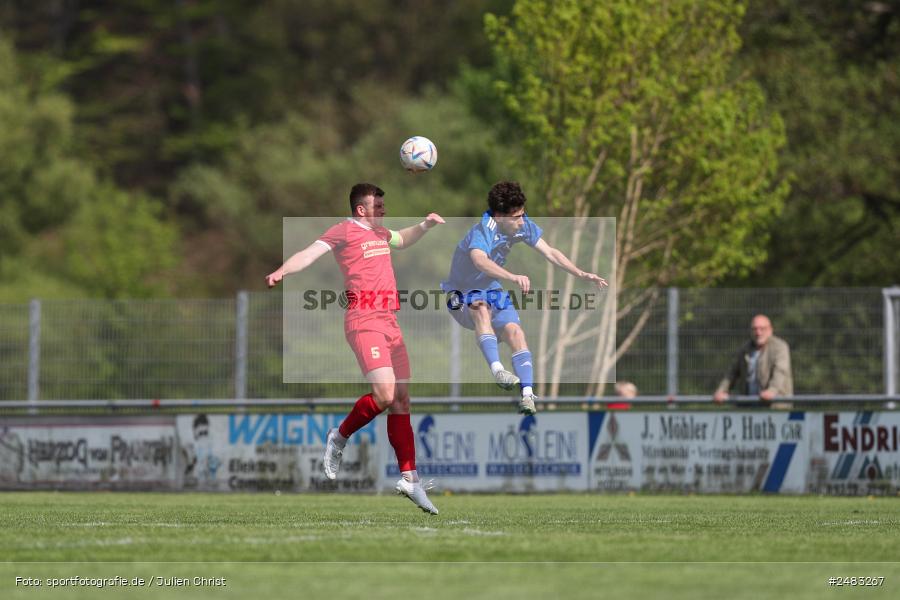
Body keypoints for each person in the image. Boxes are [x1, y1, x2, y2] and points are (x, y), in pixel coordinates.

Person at [266, 183, 444, 514]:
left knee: (401, 399)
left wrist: (425, 225)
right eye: (378, 206)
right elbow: (309, 253)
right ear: (361, 210)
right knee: (385, 394)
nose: (384, 211)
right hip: (364, 320)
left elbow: (402, 239)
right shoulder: (343, 231)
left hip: (390, 322)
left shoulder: (380, 233)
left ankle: (410, 479)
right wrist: (282, 271)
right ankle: (339, 436)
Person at [440, 181, 608, 415]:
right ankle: (498, 370)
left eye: (522, 214)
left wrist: (581, 273)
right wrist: (512, 276)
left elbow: (550, 252)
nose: (522, 221)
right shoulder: (484, 229)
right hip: (461, 292)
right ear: (500, 216)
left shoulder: (521, 225)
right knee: (480, 308)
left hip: (491, 287)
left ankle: (527, 395)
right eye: (516, 217)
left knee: (515, 332)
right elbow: (479, 261)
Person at [713, 314, 793, 405]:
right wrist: (721, 391)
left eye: (762, 329)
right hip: (749, 406)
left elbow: (780, 371)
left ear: (770, 330)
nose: (758, 333)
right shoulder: (744, 349)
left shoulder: (780, 347)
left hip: (775, 406)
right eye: (755, 329)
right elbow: (732, 373)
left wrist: (772, 391)